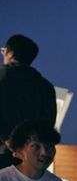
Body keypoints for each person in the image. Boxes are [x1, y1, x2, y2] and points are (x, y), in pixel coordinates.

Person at [0, 35, 56, 169]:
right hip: (29, 159)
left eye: (3, 51)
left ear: (10, 53)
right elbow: (48, 125)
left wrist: (8, 141)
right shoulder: (45, 87)